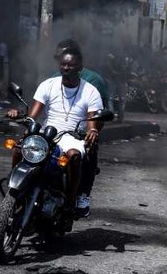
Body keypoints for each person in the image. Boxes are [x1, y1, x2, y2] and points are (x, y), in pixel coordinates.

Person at [6, 48, 104, 219]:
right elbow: (33, 115)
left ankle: (70, 202)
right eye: (64, 65)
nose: (67, 68)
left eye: (71, 65)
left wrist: (93, 130)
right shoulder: (48, 85)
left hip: (72, 137)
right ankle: (15, 191)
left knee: (74, 156)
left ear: (80, 67)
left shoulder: (90, 91)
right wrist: (18, 114)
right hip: (47, 133)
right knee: (18, 148)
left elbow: (92, 120)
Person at [50, 39, 109, 217]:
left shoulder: (94, 81)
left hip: (80, 132)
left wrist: (92, 131)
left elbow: (99, 113)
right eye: (59, 58)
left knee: (88, 151)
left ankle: (82, 195)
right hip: (55, 131)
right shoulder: (52, 78)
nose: (65, 65)